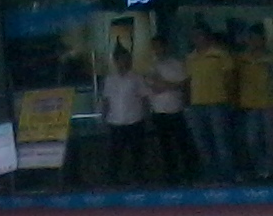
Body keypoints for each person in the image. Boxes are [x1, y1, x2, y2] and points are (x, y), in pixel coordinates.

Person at [185, 26, 237, 182]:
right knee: (202, 142)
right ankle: (210, 175)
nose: (196, 39)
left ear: (207, 36)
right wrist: (188, 103)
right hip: (196, 104)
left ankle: (227, 176)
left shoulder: (220, 54)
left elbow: (230, 77)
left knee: (221, 141)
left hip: (217, 102)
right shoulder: (190, 57)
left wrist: (230, 99)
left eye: (199, 35)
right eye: (193, 36)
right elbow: (189, 80)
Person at [101, 48, 148, 186]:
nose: (125, 62)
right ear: (115, 62)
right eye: (121, 59)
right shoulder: (110, 79)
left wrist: (146, 117)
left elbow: (144, 98)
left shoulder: (137, 78)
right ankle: (113, 179)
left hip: (135, 119)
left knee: (137, 151)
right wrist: (103, 117)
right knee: (115, 152)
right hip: (115, 120)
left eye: (127, 59)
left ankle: (138, 178)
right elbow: (106, 99)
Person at [147, 37, 191, 183]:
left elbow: (182, 85)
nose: (156, 50)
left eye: (159, 46)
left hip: (175, 109)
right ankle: (171, 173)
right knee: (165, 144)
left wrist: (165, 84)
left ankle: (190, 172)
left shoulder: (177, 64)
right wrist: (167, 85)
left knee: (182, 142)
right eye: (154, 47)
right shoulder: (151, 66)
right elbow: (153, 87)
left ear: (165, 47)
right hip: (158, 110)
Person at [236, 25, 273, 179]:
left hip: (268, 103)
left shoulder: (270, 58)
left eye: (255, 38)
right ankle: (260, 168)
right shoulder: (242, 58)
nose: (252, 41)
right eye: (250, 38)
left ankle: (269, 171)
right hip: (249, 104)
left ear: (263, 40)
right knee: (252, 140)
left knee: (269, 139)